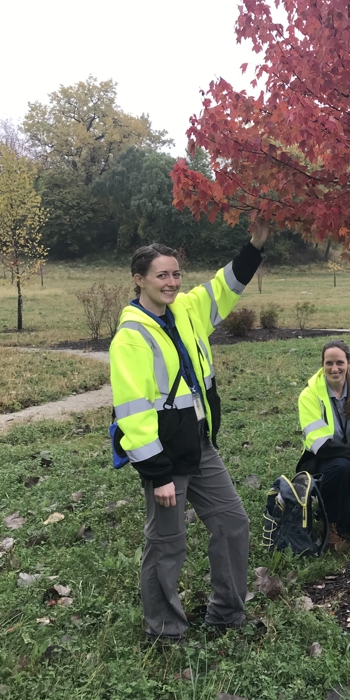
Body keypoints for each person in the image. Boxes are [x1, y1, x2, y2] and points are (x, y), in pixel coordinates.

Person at [109, 218, 270, 642]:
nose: (172, 282)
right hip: (164, 456)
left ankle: (227, 613)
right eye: (162, 275)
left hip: (199, 446)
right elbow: (131, 410)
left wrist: (255, 243)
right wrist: (158, 473)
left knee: (233, 523)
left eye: (176, 273)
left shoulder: (186, 312)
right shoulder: (131, 337)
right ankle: (165, 631)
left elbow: (225, 286)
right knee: (167, 544)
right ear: (139, 280)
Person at [296, 340, 350, 552]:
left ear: (349, 362)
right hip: (324, 464)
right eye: (328, 363)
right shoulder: (309, 395)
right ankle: (330, 525)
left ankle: (331, 507)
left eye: (339, 362)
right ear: (322, 364)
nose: (334, 368)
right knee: (341, 465)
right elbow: (322, 446)